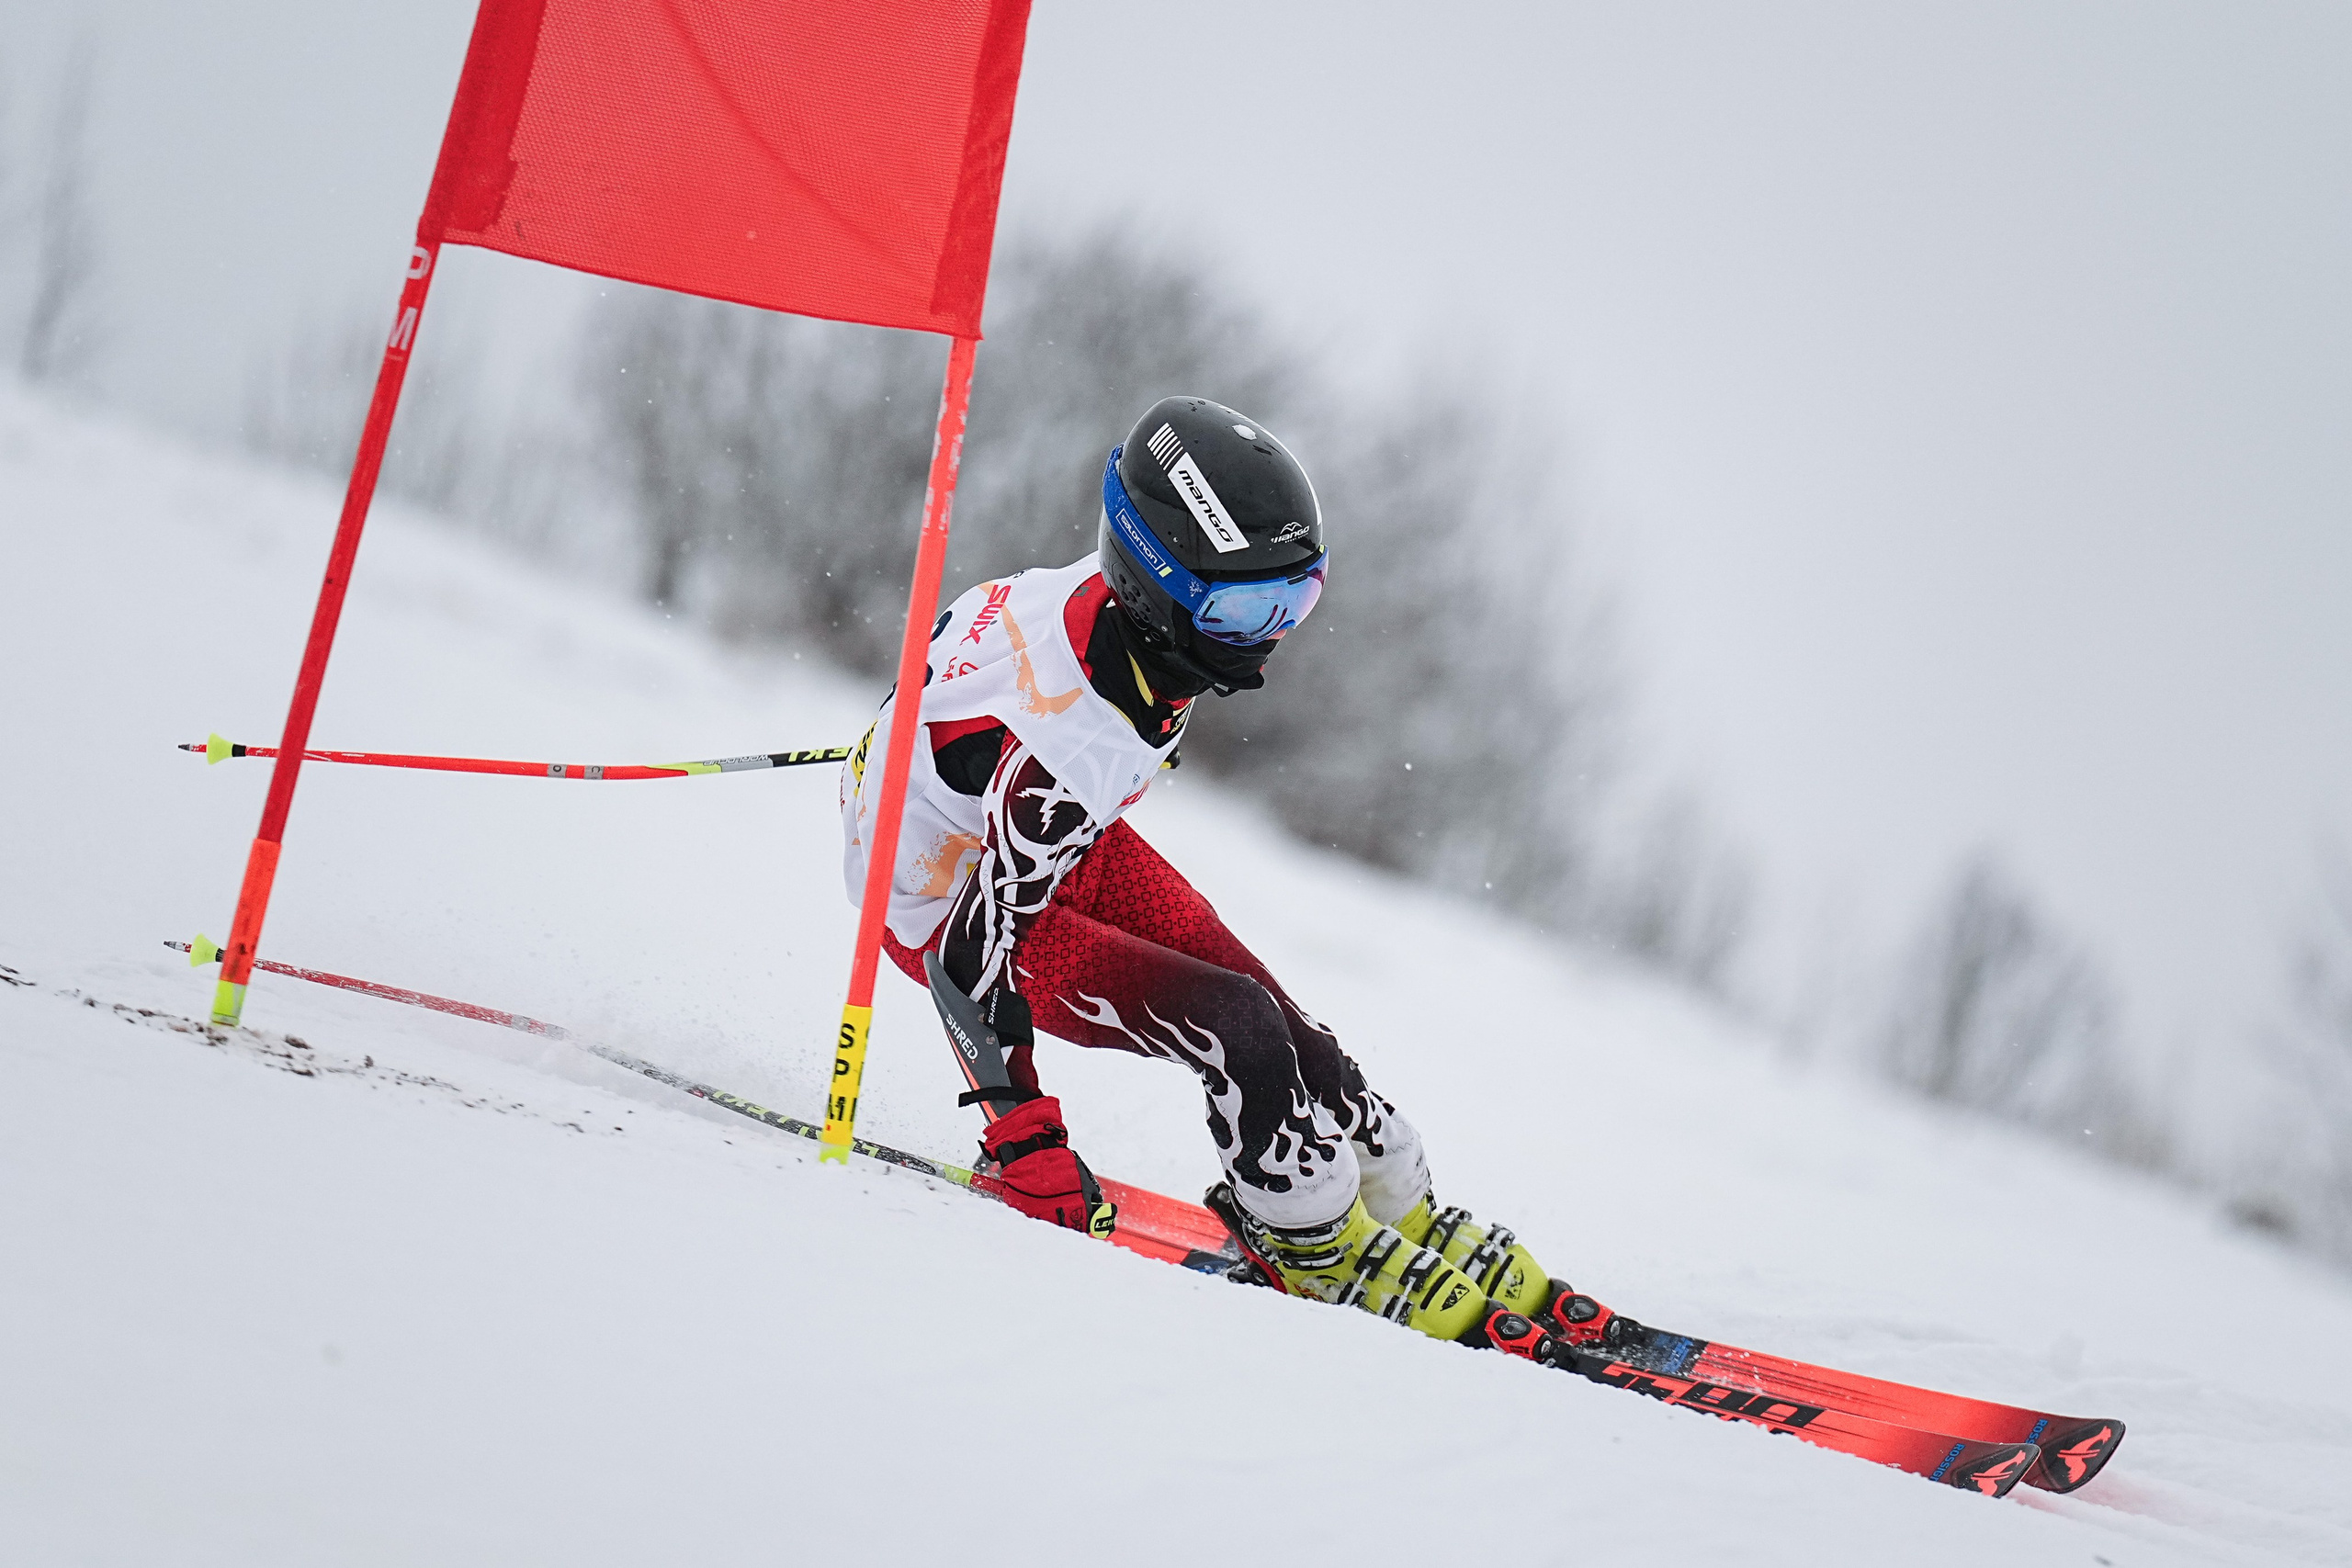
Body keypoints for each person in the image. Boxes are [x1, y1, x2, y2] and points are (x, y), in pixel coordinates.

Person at [841, 396, 1552, 1344]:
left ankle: (1391, 1200)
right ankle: (1304, 1238)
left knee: (1287, 1020)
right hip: (944, 904)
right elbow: (969, 947)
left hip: (1037, 846)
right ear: (1157, 584)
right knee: (1236, 1024)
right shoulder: (1077, 736)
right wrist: (1022, 1137)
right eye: (1248, 608)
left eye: (1297, 598)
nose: (1273, 634)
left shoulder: (1135, 646)